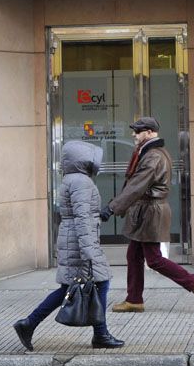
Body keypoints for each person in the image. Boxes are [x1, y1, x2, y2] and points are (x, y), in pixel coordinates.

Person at [13, 140, 124, 351]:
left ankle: (29, 324)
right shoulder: (81, 182)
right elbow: (82, 217)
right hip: (80, 240)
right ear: (83, 160)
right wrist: (88, 249)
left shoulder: (72, 179)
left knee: (72, 287)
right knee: (100, 282)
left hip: (74, 238)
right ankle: (100, 334)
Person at [101, 116, 194, 312]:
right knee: (134, 255)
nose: (134, 134)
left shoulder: (153, 156)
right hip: (146, 211)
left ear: (150, 132)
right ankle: (134, 300)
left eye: (138, 131)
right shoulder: (149, 152)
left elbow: (136, 186)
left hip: (150, 212)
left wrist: (112, 208)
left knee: (154, 259)